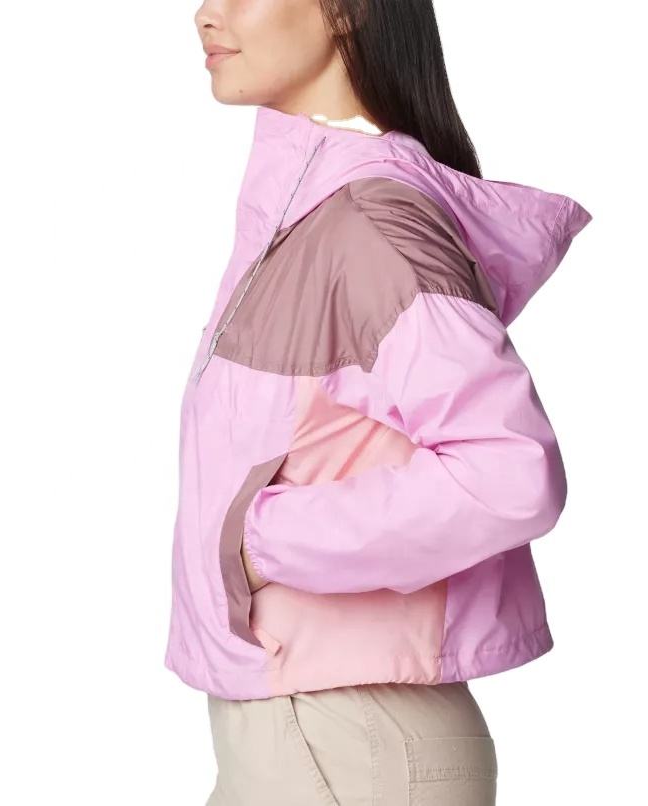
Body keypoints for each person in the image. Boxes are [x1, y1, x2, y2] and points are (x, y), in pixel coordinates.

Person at [166, 1, 592, 803]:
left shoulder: (369, 224)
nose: (206, 13)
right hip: (309, 730)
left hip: (344, 735)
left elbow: (509, 472)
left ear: (348, 10)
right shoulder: (307, 216)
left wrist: (260, 540)